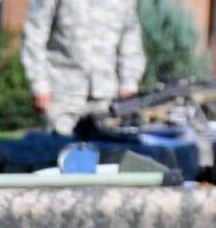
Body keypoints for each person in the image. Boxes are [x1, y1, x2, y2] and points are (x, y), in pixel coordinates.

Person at [20, 0, 144, 135]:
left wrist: (128, 84)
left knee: (106, 153)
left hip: (107, 99)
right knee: (64, 152)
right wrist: (39, 85)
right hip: (62, 98)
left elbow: (131, 40)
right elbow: (33, 36)